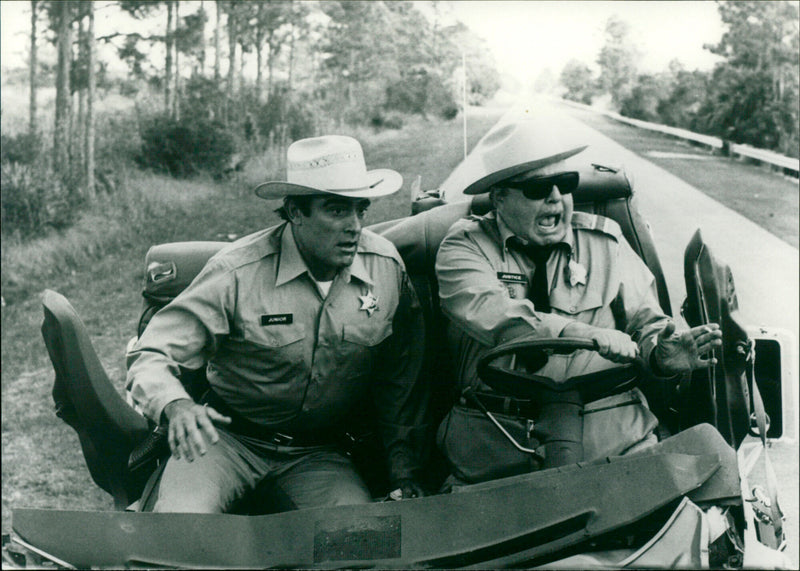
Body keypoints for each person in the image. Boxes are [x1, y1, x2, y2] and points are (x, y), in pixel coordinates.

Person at [127, 135, 428, 513]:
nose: (354, 226)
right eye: (337, 210)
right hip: (224, 440)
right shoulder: (237, 272)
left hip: (317, 453)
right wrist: (176, 405)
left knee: (358, 538)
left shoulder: (385, 268)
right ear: (295, 212)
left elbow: (402, 380)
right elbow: (152, 351)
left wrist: (404, 471)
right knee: (181, 526)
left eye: (360, 210)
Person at [434, 121, 722, 486]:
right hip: (497, 440)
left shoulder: (605, 242)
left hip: (613, 435)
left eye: (566, 183)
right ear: (499, 198)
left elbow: (647, 325)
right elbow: (492, 313)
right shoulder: (463, 247)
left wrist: (660, 357)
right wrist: (581, 333)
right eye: (538, 188)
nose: (556, 198)